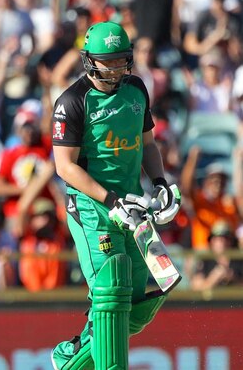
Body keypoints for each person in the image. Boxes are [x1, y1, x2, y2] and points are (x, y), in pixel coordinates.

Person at [49, 22, 182, 369]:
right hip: (93, 208)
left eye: (121, 60)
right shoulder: (72, 102)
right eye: (107, 61)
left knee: (136, 306)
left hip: (134, 207)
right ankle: (66, 362)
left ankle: (74, 353)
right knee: (111, 296)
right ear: (90, 61)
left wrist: (160, 183)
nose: (115, 68)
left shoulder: (136, 89)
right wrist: (110, 201)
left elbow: (148, 143)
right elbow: (65, 167)